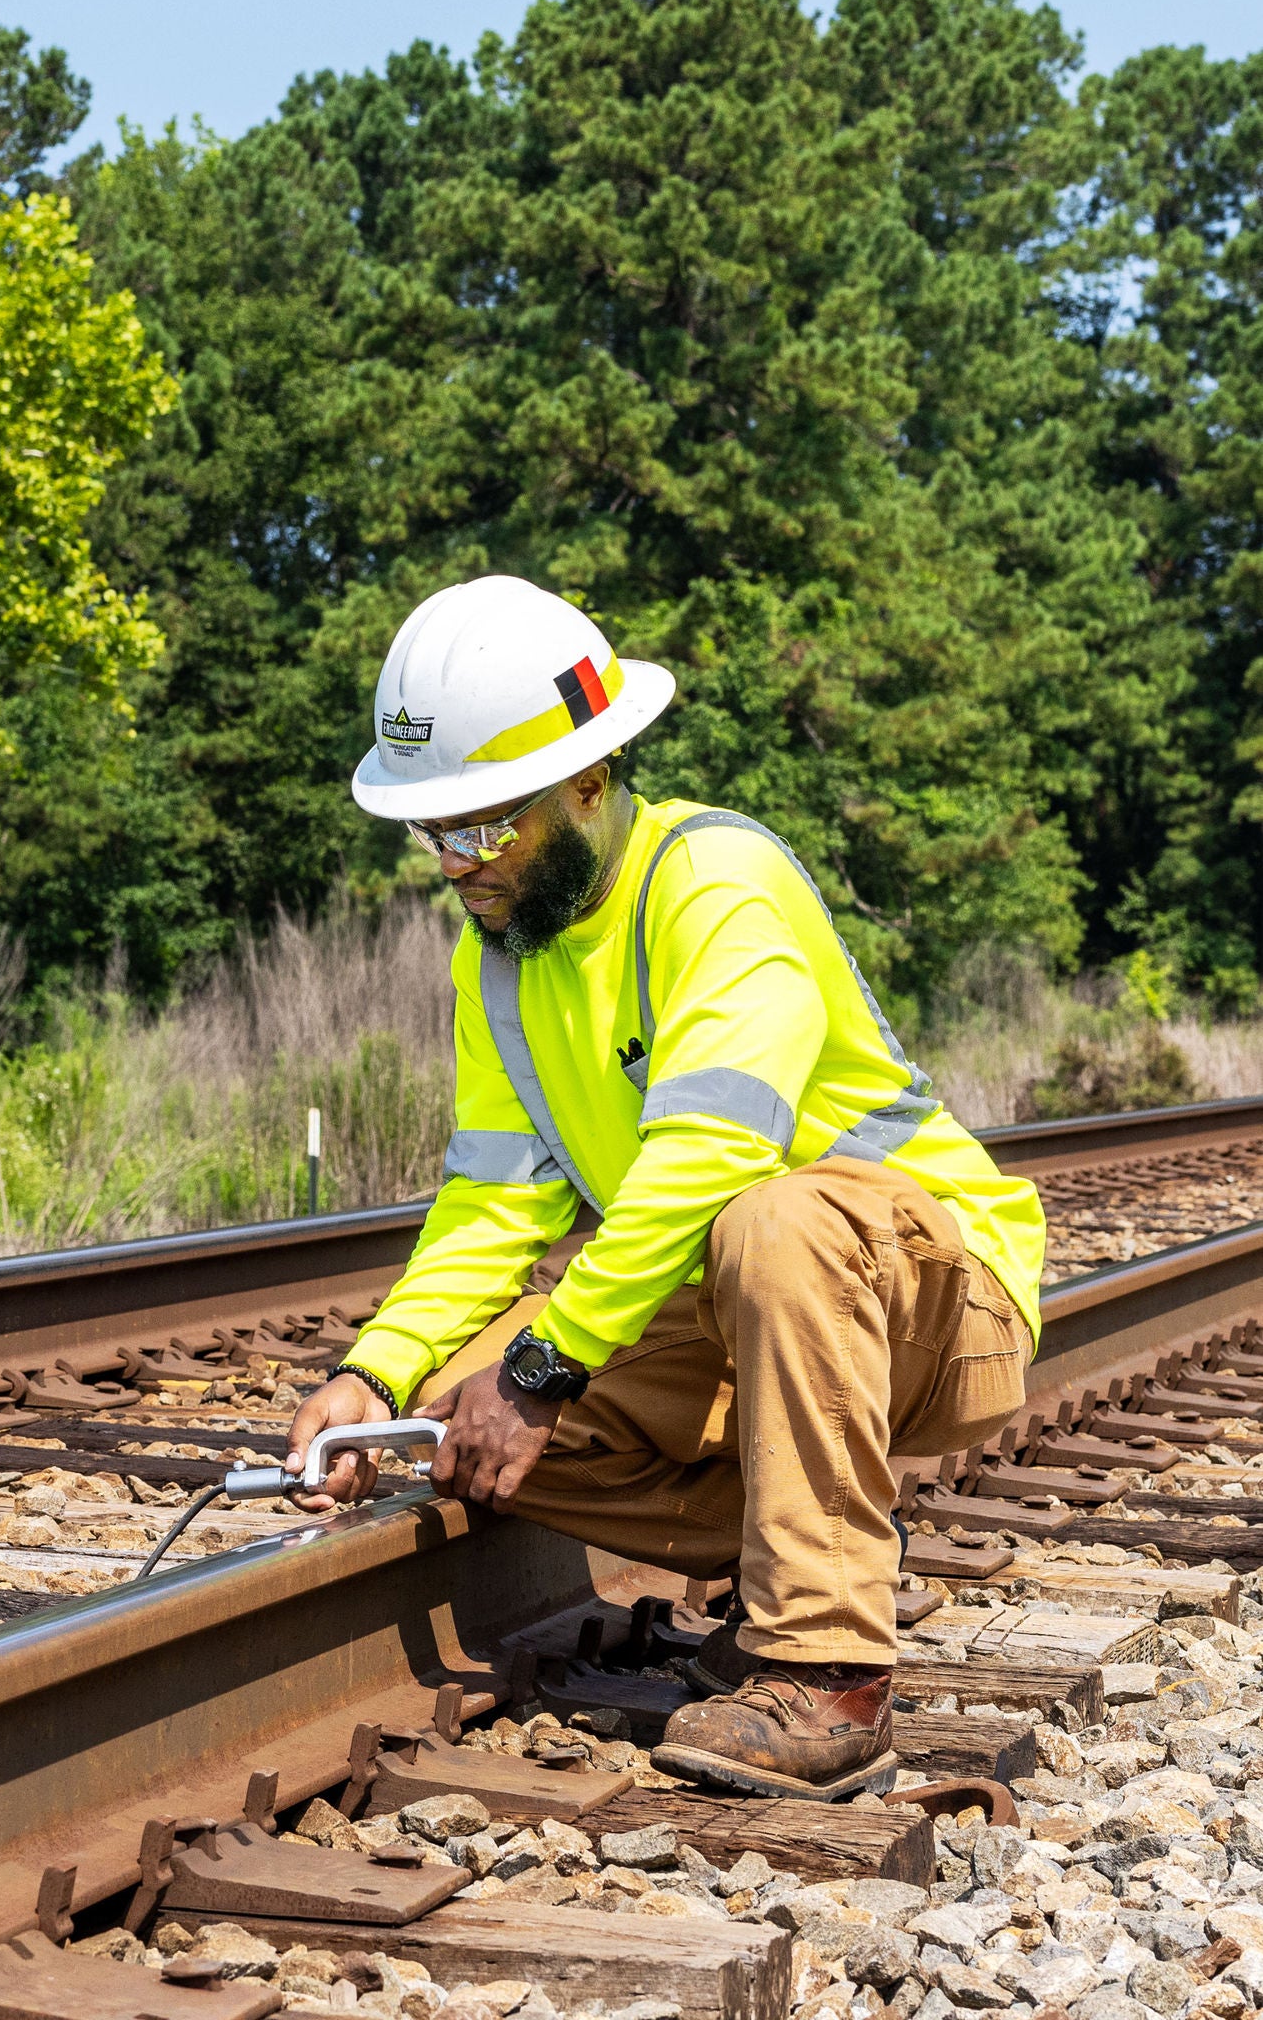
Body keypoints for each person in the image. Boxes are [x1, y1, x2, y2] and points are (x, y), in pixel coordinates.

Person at [284, 574, 1045, 1799]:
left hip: (933, 1300)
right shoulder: (501, 964)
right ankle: (792, 1540)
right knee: (444, 1407)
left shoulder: (719, 882)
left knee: (771, 1219)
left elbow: (716, 1154)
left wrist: (544, 1368)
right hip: (755, 1316)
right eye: (434, 834)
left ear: (591, 780)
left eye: (485, 825)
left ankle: (829, 1670)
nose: (455, 864)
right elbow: (493, 1206)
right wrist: (368, 1373)